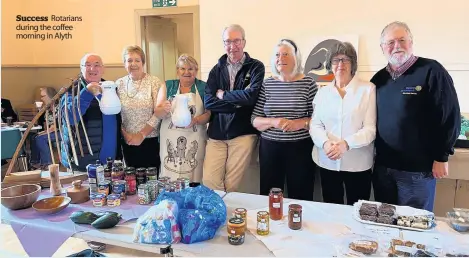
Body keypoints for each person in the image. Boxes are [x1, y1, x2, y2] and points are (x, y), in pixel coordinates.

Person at [371, 21, 461, 211]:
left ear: (411, 42)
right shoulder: (378, 79)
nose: (397, 46)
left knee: (414, 227)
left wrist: (442, 156)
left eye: (402, 40)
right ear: (382, 48)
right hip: (383, 169)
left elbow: (449, 115)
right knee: (385, 224)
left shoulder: (432, 71)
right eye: (390, 42)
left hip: (418, 171)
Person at [310, 42, 376, 205]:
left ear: (353, 64)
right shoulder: (322, 92)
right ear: (330, 65)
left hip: (358, 164)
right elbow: (315, 125)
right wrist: (325, 144)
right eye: (336, 60)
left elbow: (370, 129)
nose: (341, 64)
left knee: (360, 211)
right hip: (327, 162)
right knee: (332, 211)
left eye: (346, 59)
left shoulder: (368, 89)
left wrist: (346, 144)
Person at [252, 39, 317, 200]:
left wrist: (299, 123)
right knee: (270, 195)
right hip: (270, 148)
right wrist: (272, 122)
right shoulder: (267, 84)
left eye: (286, 54)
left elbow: (318, 120)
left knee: (301, 194)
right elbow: (255, 119)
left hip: (300, 148)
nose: (280, 58)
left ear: (296, 58)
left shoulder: (308, 83)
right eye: (277, 55)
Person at [203, 24, 265, 192]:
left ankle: (228, 217)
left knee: (231, 185)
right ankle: (218, 213)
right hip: (217, 134)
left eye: (236, 40)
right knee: (209, 181)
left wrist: (223, 95)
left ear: (244, 42)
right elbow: (208, 102)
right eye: (228, 41)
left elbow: (251, 97)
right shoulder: (216, 70)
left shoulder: (256, 67)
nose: (232, 46)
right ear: (224, 44)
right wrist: (238, 104)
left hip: (243, 133)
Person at [60, 53, 123, 171]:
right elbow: (70, 119)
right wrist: (87, 92)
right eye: (87, 65)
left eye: (97, 65)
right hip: (83, 165)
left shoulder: (111, 89)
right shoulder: (72, 91)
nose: (92, 69)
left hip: (111, 163)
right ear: (81, 69)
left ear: (103, 69)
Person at [159, 54, 210, 182]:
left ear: (196, 71)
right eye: (182, 69)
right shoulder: (167, 85)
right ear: (177, 71)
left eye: (191, 69)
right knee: (170, 172)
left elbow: (209, 114)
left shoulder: (204, 87)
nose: (186, 72)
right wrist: (163, 109)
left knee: (194, 173)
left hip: (195, 136)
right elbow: (157, 112)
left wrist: (195, 120)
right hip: (169, 136)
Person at [116, 45, 168, 169]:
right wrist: (125, 134)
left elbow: (159, 113)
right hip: (127, 141)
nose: (133, 64)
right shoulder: (119, 84)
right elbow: (115, 115)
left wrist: (141, 135)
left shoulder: (154, 82)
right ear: (124, 63)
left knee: (151, 181)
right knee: (131, 180)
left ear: (143, 63)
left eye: (137, 60)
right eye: (129, 60)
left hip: (150, 140)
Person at [31, 87, 61, 169]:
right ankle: (35, 162)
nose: (41, 98)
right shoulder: (47, 109)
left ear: (51, 96)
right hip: (52, 131)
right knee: (33, 136)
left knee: (40, 138)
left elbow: (56, 126)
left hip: (61, 132)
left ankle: (47, 164)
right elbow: (46, 124)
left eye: (43, 96)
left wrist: (44, 132)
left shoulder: (59, 107)